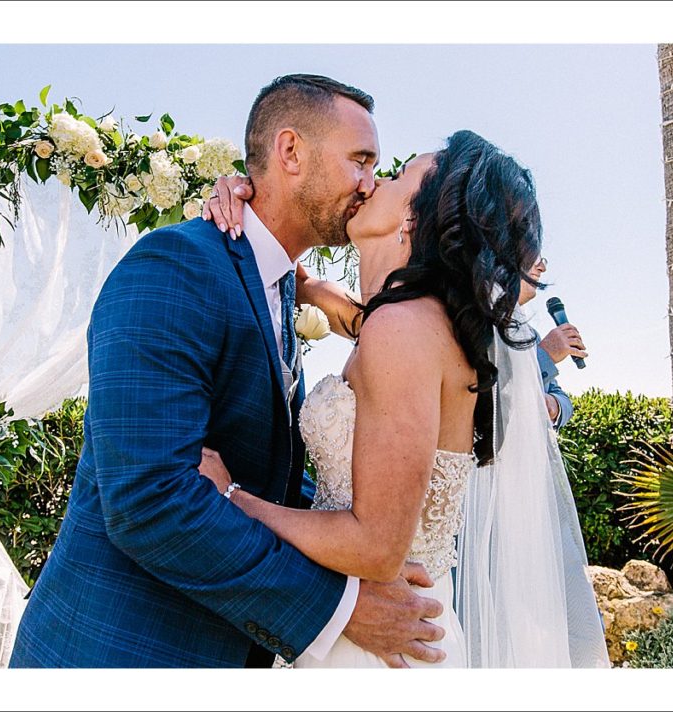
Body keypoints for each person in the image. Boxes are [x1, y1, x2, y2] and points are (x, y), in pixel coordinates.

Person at [9, 74, 447, 669]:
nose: (371, 184)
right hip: (123, 653)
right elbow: (149, 499)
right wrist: (338, 607)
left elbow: (271, 472)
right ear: (290, 151)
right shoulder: (176, 266)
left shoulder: (284, 289)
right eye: (361, 161)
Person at [200, 131, 610, 667]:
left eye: (395, 177)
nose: (374, 183)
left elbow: (374, 545)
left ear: (415, 219)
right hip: (404, 626)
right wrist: (252, 211)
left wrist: (233, 499)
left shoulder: (402, 328)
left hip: (378, 646)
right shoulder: (412, 323)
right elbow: (336, 302)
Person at [518, 256, 587, 430]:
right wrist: (546, 355)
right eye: (532, 256)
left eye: (543, 259)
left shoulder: (532, 335)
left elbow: (563, 399)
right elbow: (495, 397)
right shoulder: (480, 328)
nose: (542, 267)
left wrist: (553, 405)